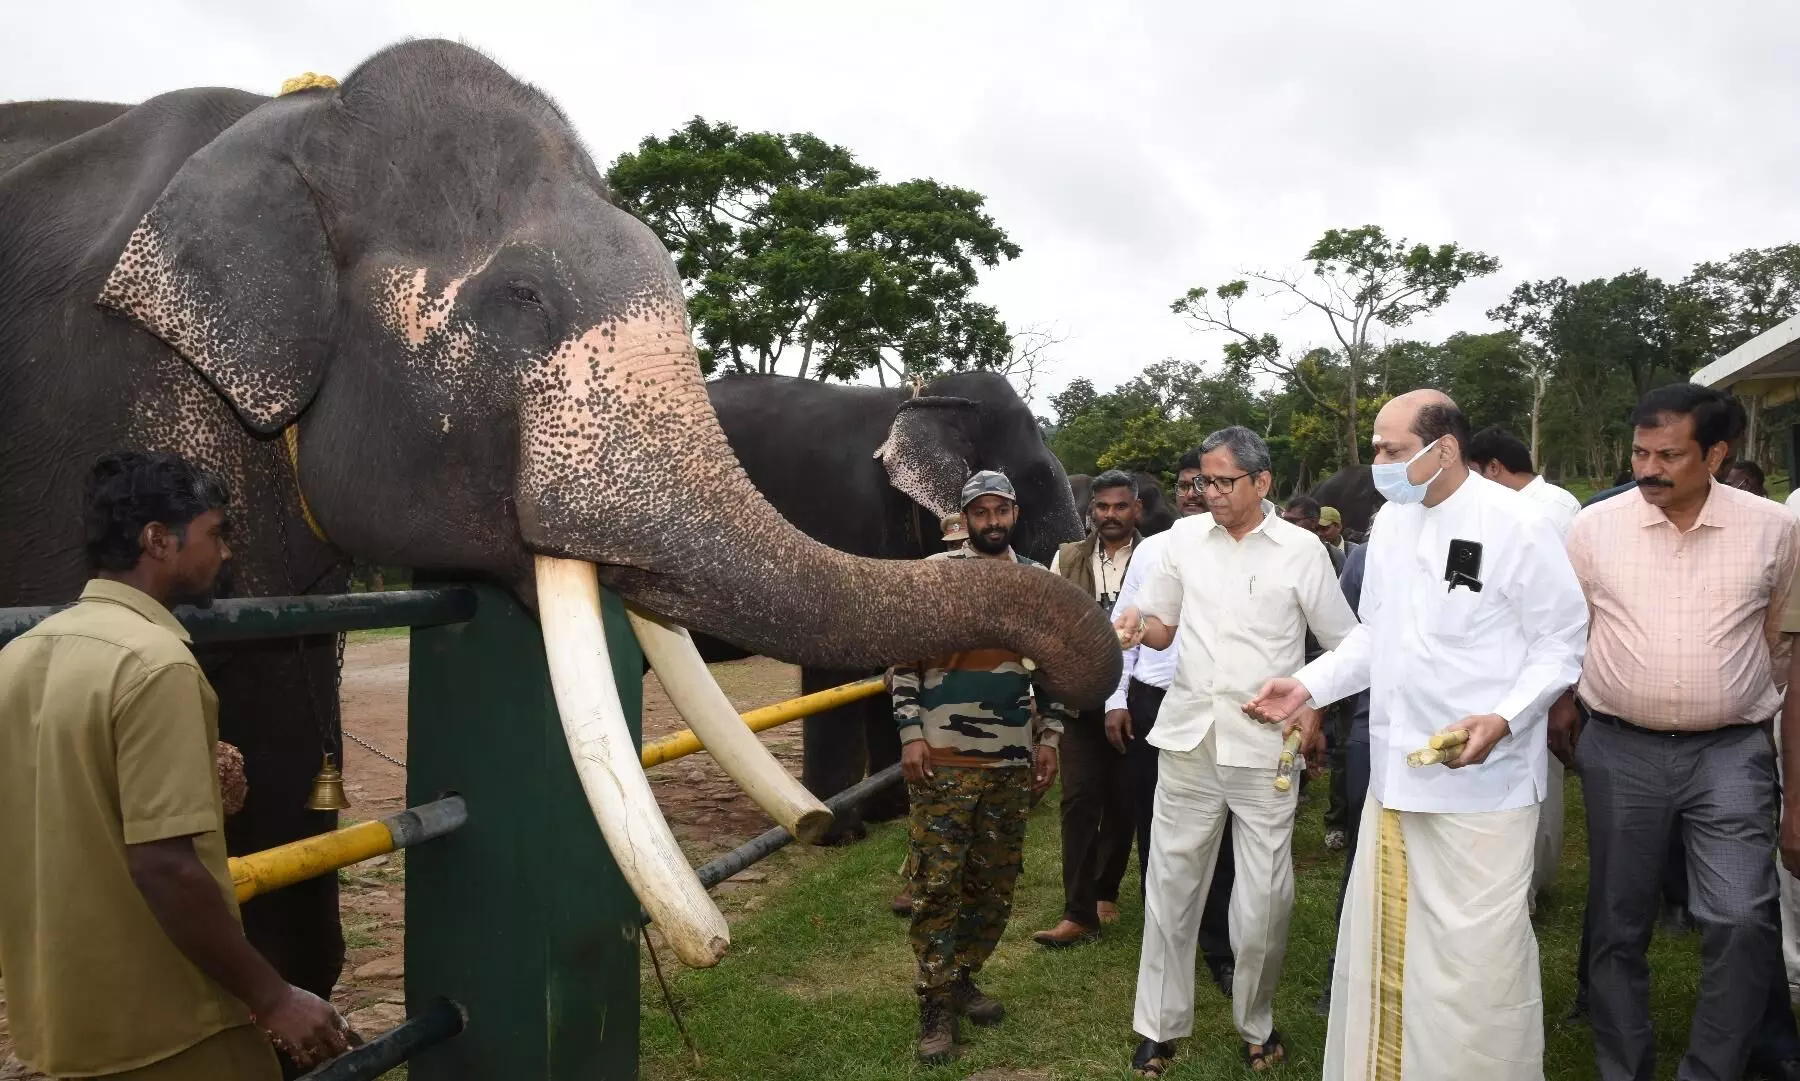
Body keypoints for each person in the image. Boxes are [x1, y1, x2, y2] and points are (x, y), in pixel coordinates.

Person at [1246, 389, 1588, 1081]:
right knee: (1393, 951)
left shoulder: (1515, 525)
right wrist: (1308, 685)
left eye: (1392, 449)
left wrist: (1505, 716)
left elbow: (1560, 642)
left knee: (1478, 963)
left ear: (1445, 449)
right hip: (1398, 779)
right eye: (1376, 447)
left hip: (1483, 783)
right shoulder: (1393, 526)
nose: (1377, 462)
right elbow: (1376, 638)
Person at [0, 452, 351, 1081]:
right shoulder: (156, 664)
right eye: (213, 534)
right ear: (157, 541)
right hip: (170, 1028)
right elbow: (164, 866)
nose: (225, 555)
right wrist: (272, 996)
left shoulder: (20, 655)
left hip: (59, 1022)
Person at [1556, 383, 1799, 1081]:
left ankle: (1711, 1069)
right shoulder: (1594, 529)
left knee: (1741, 919)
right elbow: (1569, 630)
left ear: (1716, 454)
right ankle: (1623, 1067)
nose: (1648, 468)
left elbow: (1779, 638)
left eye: (1669, 454)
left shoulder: (1772, 529)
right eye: (1639, 451)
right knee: (1616, 922)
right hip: (1620, 747)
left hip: (1729, 751)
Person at [1113, 426, 1359, 1075]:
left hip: (1265, 750)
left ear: (1262, 482)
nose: (1209, 493)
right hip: (1189, 735)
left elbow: (1345, 643)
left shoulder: (1303, 551)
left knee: (1263, 901)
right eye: (1202, 480)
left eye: (1223, 482)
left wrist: (1312, 705)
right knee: (1169, 886)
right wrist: (1140, 626)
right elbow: (1161, 629)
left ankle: (1257, 1020)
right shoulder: (1182, 542)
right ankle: (1158, 1026)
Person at [892, 469, 1073, 1064]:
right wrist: (912, 734)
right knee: (938, 881)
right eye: (981, 512)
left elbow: (1056, 668)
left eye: (1002, 511)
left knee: (993, 884)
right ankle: (935, 1005)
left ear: (1015, 514)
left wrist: (1048, 738)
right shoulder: (937, 579)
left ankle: (965, 975)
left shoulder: (1036, 582)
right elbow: (903, 663)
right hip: (942, 758)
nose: (992, 521)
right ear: (965, 518)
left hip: (1011, 760)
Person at [1103, 450, 1241, 996]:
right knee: (1154, 821)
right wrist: (1117, 699)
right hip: (1153, 700)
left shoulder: (1240, 551)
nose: (1193, 493)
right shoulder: (1155, 551)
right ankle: (1164, 932)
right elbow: (1128, 628)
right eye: (1185, 485)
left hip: (1218, 702)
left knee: (1221, 826)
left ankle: (1219, 943)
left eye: (1202, 484)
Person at [1466, 423, 1580, 910]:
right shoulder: (1529, 508)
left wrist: (1561, 696)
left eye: (1474, 473)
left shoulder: (1544, 513)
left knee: (1538, 779)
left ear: (1493, 468)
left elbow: (1563, 615)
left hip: (1540, 672)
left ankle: (1529, 887)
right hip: (1501, 671)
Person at [1036, 470, 1143, 946]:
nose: (1110, 516)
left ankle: (1106, 890)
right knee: (1078, 801)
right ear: (1091, 510)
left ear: (1136, 509)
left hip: (1137, 699)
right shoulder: (1068, 558)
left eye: (1120, 506)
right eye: (1102, 507)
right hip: (1081, 699)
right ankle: (1077, 910)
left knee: (1123, 803)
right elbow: (1051, 621)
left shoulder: (1158, 556)